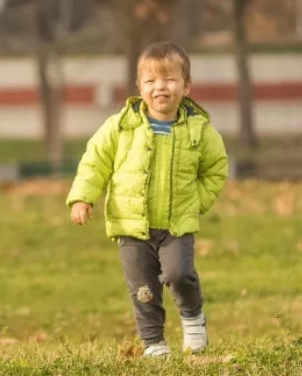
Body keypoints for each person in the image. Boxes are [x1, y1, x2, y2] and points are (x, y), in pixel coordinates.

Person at [66, 41, 228, 357]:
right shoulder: (121, 126)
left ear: (186, 86)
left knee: (179, 275)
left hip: (176, 225)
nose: (160, 88)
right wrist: (83, 198)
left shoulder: (199, 130)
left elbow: (216, 170)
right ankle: (154, 343)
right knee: (143, 289)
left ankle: (193, 320)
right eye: (151, 81)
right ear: (140, 87)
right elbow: (95, 162)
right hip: (131, 226)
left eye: (169, 79)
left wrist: (197, 202)